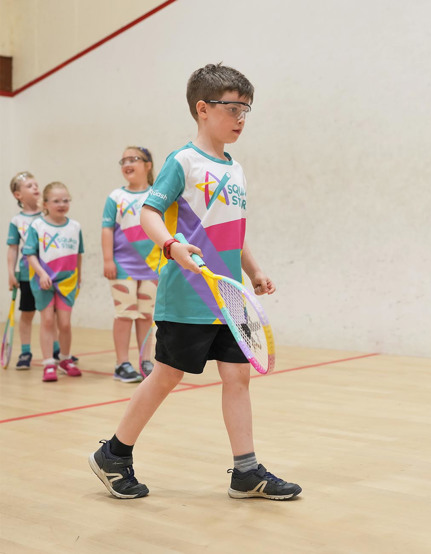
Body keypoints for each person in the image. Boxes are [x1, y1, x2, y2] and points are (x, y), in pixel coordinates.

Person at [89, 63, 301, 501]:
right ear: (203, 109)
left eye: (247, 109)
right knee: (167, 376)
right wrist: (170, 246)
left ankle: (246, 471)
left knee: (237, 377)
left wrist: (254, 270)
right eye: (232, 108)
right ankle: (114, 453)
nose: (241, 117)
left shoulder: (236, 169)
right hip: (188, 295)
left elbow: (232, 233)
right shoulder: (182, 161)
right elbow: (150, 211)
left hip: (230, 297)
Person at [102, 146, 161, 383]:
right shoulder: (116, 197)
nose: (127, 163)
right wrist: (108, 259)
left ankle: (145, 361)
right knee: (124, 314)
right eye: (123, 160)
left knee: (146, 316)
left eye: (133, 159)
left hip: (152, 267)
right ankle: (122, 364)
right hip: (122, 266)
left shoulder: (157, 195)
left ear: (147, 165)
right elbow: (107, 229)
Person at [22, 182, 84, 382]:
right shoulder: (37, 226)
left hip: (68, 282)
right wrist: (41, 274)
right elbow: (30, 255)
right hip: (43, 281)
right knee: (48, 321)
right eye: (56, 201)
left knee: (64, 324)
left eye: (65, 200)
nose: (62, 204)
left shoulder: (75, 227)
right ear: (45, 203)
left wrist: (79, 277)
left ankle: (65, 360)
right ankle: (48, 362)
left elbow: (79, 255)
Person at [6, 172, 42, 369]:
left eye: (36, 184)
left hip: (49, 275)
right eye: (29, 186)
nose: (35, 188)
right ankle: (25, 352)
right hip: (28, 275)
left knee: (50, 315)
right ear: (17, 195)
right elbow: (12, 249)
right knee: (27, 313)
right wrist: (11, 273)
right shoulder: (16, 221)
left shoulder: (47, 213)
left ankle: (55, 350)